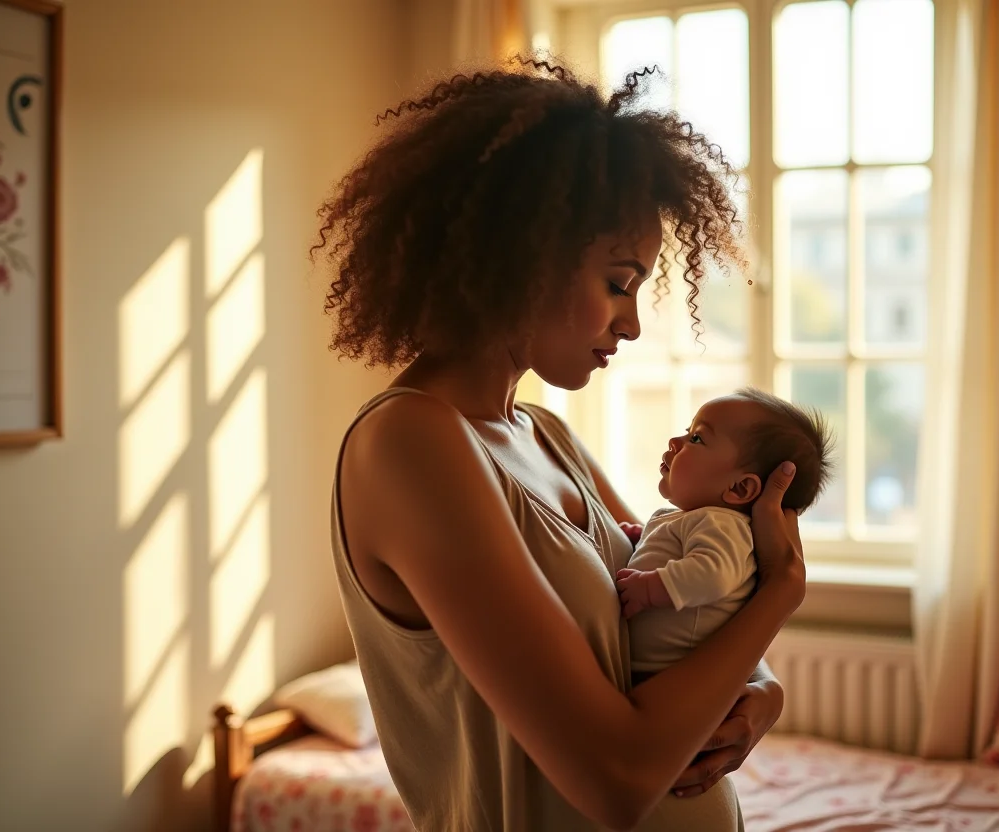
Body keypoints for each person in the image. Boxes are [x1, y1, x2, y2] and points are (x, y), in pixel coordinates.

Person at [314, 58, 807, 831]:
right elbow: (614, 780)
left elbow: (683, 620)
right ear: (521, 256)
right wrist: (780, 595)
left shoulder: (546, 434)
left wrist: (764, 694)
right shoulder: (410, 444)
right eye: (618, 282)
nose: (633, 322)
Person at [615, 388, 834, 687]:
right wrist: (643, 539)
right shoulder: (699, 520)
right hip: (656, 672)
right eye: (687, 431)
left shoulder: (722, 524)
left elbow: (714, 573)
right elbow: (682, 553)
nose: (675, 442)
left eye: (697, 439)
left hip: (669, 678)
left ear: (740, 489)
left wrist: (652, 588)